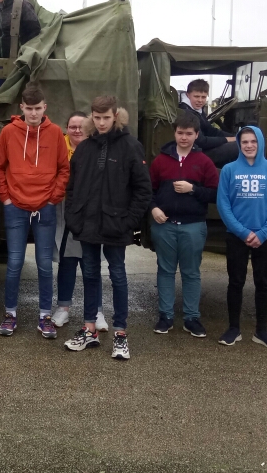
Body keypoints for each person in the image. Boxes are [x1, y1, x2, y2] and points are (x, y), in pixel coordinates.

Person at [63, 96, 151, 357]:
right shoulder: (85, 148)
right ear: (92, 117)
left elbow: (143, 190)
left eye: (106, 117)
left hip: (116, 225)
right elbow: (72, 188)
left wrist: (128, 221)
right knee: (90, 274)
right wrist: (73, 218)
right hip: (87, 224)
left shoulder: (130, 146)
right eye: (97, 117)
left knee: (118, 275)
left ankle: (120, 333)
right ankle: (89, 329)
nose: (101, 123)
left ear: (116, 116)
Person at [0, 83, 69, 339]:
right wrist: (5, 197)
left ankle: (45, 316)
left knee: (44, 264)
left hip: (45, 207)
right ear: (21, 107)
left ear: (45, 107)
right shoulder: (8, 132)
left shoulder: (55, 133)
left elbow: (63, 168)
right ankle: (10, 314)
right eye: (29, 108)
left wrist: (53, 198)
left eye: (38, 108)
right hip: (15, 206)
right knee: (14, 262)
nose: (33, 113)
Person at [149, 110, 219, 338]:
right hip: (164, 225)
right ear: (174, 133)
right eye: (180, 133)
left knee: (191, 273)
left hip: (193, 226)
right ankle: (165, 316)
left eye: (189, 133)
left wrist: (193, 190)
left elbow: (215, 193)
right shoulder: (160, 161)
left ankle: (191, 318)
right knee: (165, 271)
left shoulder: (204, 162)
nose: (184, 137)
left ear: (197, 135)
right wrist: (153, 208)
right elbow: (148, 190)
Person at [216, 126, 267, 350]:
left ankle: (262, 331)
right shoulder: (229, 170)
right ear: (239, 144)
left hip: (265, 237)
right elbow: (223, 205)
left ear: (260, 143)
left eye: (253, 141)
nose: (249, 145)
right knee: (235, 282)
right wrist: (243, 232)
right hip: (237, 236)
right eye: (244, 141)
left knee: (263, 283)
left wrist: (263, 233)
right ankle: (233, 328)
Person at [52, 111, 109, 332]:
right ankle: (63, 308)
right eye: (72, 127)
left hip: (92, 213)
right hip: (65, 211)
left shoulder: (99, 148)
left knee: (91, 264)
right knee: (66, 262)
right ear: (66, 129)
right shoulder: (59, 148)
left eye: (81, 127)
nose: (77, 130)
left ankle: (97, 311)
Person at [179, 79, 237, 165]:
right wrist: (227, 139)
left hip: (201, 149)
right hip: (193, 153)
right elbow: (200, 141)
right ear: (188, 95)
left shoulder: (197, 110)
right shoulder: (186, 112)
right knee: (238, 147)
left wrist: (236, 137)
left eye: (203, 97)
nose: (200, 100)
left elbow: (211, 130)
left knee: (240, 142)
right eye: (196, 96)